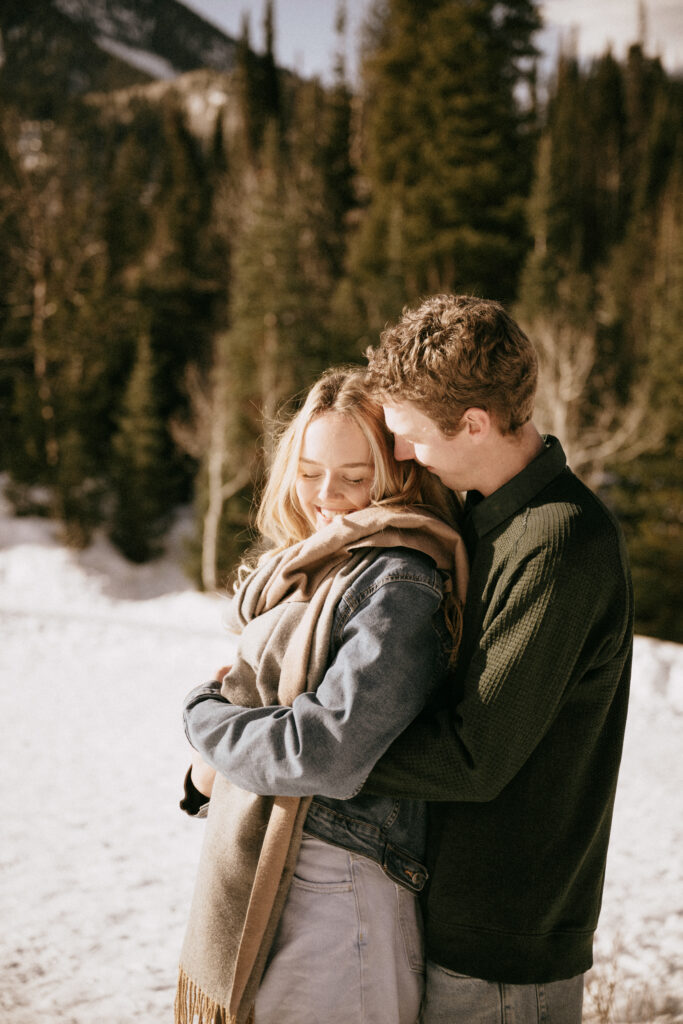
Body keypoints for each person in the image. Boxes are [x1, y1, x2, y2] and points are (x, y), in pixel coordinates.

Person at [362, 293, 634, 1024]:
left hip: (504, 949)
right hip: (460, 921)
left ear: (473, 424)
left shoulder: (559, 542)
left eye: (410, 434)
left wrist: (304, 748)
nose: (399, 454)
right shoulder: (492, 519)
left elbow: (470, 760)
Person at [175, 367, 468, 1024]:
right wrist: (211, 768)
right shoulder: (307, 566)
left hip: (341, 887)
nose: (327, 495)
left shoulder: (398, 578)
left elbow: (328, 750)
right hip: (284, 869)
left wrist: (205, 720)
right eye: (309, 472)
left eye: (354, 476)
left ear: (395, 477)